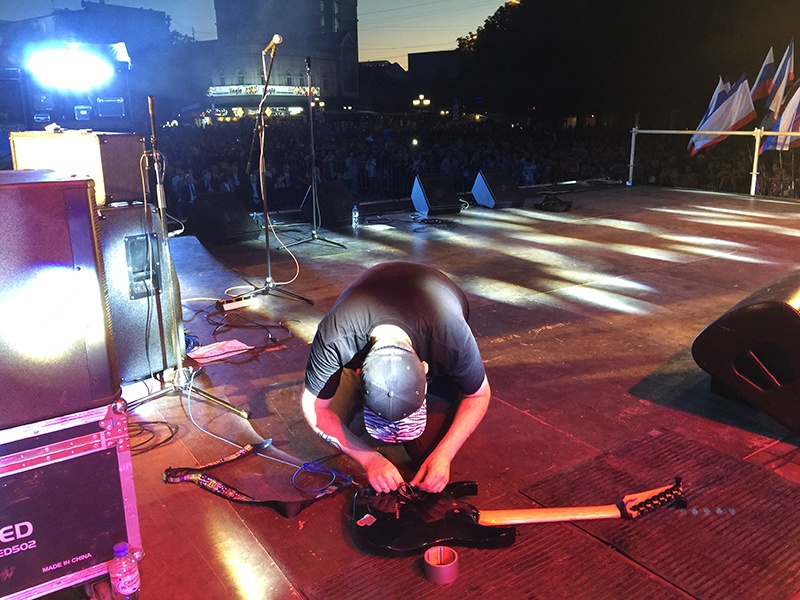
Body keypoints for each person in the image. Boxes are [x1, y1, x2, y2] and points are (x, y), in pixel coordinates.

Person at [300, 261, 490, 494]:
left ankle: (439, 398)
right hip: (367, 313)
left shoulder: (451, 338)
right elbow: (314, 408)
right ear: (359, 373)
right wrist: (368, 458)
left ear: (425, 369)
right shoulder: (335, 336)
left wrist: (444, 454)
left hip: (436, 298)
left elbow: (479, 394)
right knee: (332, 419)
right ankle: (362, 397)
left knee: (428, 457)